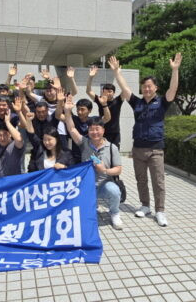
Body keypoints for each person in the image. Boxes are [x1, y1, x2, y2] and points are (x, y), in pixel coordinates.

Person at [109, 53, 181, 227]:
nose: (147, 89)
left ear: (155, 88)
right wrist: (117, 73)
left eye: (150, 86)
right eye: (144, 87)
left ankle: (160, 211)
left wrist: (175, 70)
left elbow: (173, 90)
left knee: (158, 181)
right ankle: (145, 205)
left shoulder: (162, 103)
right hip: (138, 148)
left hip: (156, 148)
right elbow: (125, 90)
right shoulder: (137, 103)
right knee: (141, 180)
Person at [64, 95, 124, 230]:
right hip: (85, 186)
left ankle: (114, 213)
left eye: (97, 129)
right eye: (91, 129)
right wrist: (67, 111)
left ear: (103, 130)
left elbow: (118, 169)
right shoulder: (84, 143)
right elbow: (72, 129)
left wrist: (105, 170)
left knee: (114, 190)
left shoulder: (111, 147)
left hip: (103, 185)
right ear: (88, 131)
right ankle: (90, 206)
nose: (94, 132)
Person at [56, 95, 110, 163]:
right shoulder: (73, 119)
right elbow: (58, 116)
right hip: (75, 156)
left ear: (89, 110)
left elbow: (107, 118)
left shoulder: (93, 121)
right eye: (78, 109)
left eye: (82, 109)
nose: (79, 112)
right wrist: (60, 102)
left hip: (91, 156)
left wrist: (104, 105)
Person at [86, 65, 124, 148]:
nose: (107, 93)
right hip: (102, 132)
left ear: (114, 92)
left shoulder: (118, 100)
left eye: (110, 91)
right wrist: (91, 77)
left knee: (114, 154)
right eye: (105, 91)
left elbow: (124, 90)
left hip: (115, 132)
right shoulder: (100, 100)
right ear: (102, 92)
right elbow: (88, 91)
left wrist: (118, 73)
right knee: (101, 153)